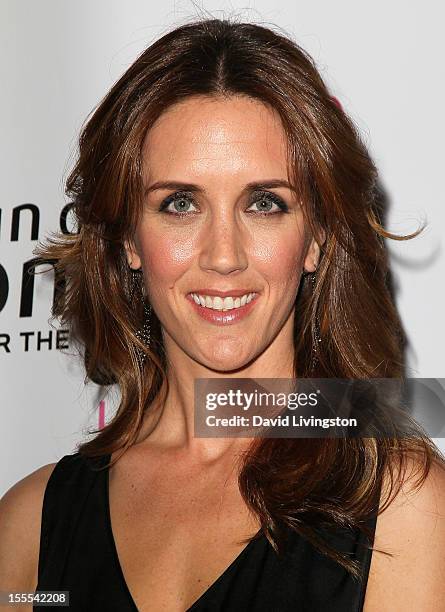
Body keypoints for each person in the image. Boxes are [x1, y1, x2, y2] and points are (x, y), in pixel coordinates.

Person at [1, 17, 445, 612]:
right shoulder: (31, 525)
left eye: (265, 203)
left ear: (314, 236)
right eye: (180, 203)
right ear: (129, 237)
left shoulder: (399, 503)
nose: (224, 256)